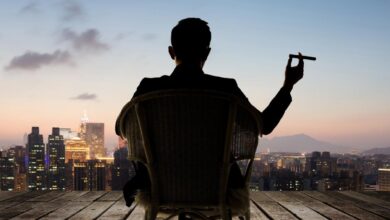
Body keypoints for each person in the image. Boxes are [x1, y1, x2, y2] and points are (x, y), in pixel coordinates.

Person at [116, 18, 304, 207]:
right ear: (207, 52)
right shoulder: (226, 89)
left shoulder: (148, 88)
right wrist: (288, 86)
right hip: (219, 189)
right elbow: (264, 125)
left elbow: (121, 129)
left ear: (171, 52)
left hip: (159, 188)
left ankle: (143, 177)